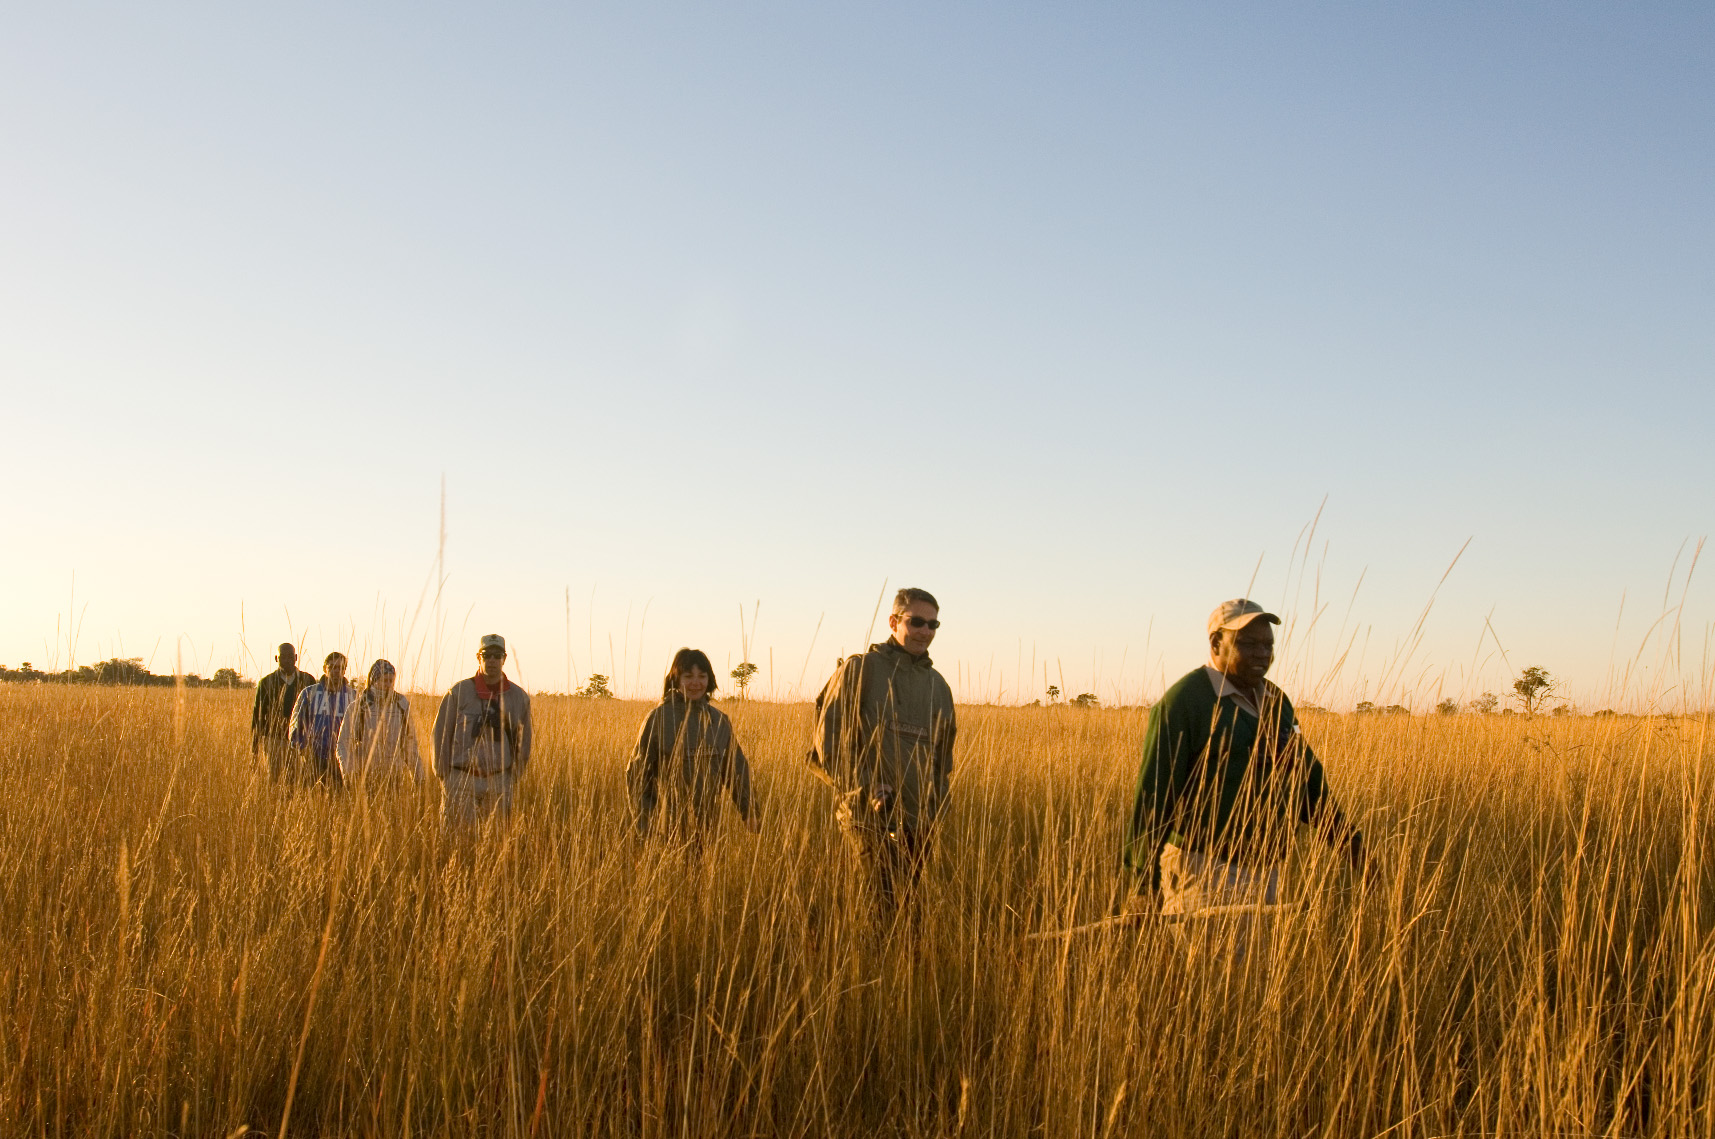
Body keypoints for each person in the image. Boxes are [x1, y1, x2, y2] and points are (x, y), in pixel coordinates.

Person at [1122, 599, 1364, 962]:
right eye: (1248, 644)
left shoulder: (1276, 701)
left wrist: (1351, 845)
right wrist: (1142, 885)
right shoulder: (1185, 702)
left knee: (1252, 988)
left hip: (1266, 869)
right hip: (1204, 868)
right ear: (1216, 643)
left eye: (1268, 645)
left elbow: (1308, 782)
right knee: (1212, 984)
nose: (1262, 654)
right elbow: (1154, 796)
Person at [807, 587, 956, 917]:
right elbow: (828, 741)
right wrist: (867, 787)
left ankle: (904, 967)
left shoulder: (939, 687)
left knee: (908, 910)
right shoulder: (861, 669)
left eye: (933, 625)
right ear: (893, 621)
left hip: (918, 823)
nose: (925, 632)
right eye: (917, 622)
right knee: (881, 907)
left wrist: (935, 809)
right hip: (867, 818)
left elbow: (942, 759)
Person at [626, 648, 759, 845]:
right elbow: (638, 776)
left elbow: (736, 770)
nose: (695, 683)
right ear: (676, 679)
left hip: (710, 831)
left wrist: (749, 811)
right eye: (688, 676)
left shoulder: (719, 721)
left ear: (710, 680)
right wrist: (647, 827)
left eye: (702, 676)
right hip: (665, 833)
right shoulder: (658, 719)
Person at [433, 634, 532, 825]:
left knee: (496, 841)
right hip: (460, 778)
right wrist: (444, 775)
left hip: (499, 779)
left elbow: (524, 741)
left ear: (504, 659)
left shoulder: (519, 697)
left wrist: (513, 776)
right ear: (479, 658)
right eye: (487, 655)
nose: (492, 660)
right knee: (457, 840)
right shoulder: (458, 692)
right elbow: (441, 734)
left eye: (497, 655)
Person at [336, 659, 423, 785]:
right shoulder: (358, 707)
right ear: (374, 681)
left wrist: (418, 776)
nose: (388, 684)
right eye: (384, 680)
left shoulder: (401, 705)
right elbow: (343, 744)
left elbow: (410, 743)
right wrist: (349, 774)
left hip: (394, 777)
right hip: (364, 776)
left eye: (391, 681)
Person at [288, 651, 358, 787]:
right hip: (314, 757)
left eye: (340, 667)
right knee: (312, 798)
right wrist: (301, 748)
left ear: (345, 670)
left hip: (343, 758)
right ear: (324, 668)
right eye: (332, 667)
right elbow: (296, 722)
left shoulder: (353, 696)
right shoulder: (310, 693)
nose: (336, 671)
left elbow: (361, 727)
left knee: (340, 797)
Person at [252, 642, 316, 782]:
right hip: (273, 738)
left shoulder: (307, 680)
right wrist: (254, 748)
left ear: (296, 657)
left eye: (290, 656)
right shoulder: (266, 683)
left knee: (296, 779)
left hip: (300, 739)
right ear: (276, 658)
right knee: (273, 778)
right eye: (283, 657)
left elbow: (314, 712)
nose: (287, 660)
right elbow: (257, 716)